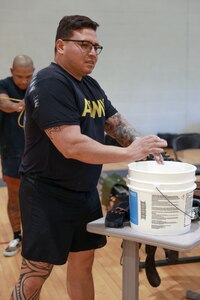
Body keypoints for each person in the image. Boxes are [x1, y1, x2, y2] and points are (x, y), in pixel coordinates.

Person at [10, 15, 167, 300]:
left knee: (83, 263)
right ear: (60, 45)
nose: (92, 52)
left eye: (96, 47)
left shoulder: (90, 85)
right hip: (46, 195)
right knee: (36, 272)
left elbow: (115, 123)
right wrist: (129, 153)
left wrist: (145, 144)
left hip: (83, 193)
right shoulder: (49, 82)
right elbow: (71, 145)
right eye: (84, 44)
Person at [0, 55, 35, 257]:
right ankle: (17, 236)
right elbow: (3, 102)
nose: (23, 81)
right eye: (19, 76)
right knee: (14, 198)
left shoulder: (38, 86)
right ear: (12, 71)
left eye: (28, 76)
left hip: (37, 154)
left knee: (39, 197)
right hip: (12, 152)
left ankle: (35, 236)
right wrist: (17, 106)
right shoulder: (3, 85)